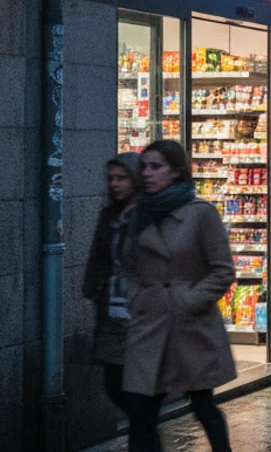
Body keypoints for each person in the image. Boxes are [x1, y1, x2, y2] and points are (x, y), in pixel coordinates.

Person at [122, 140, 236, 452]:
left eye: (156, 166)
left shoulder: (200, 214)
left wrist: (188, 300)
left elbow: (222, 270)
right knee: (142, 413)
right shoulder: (137, 213)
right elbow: (130, 267)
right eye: (144, 166)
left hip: (190, 327)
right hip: (150, 326)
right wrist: (138, 298)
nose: (147, 173)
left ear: (175, 172)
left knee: (203, 405)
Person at [82, 153, 159, 447]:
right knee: (114, 385)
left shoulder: (150, 215)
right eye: (110, 178)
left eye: (121, 177)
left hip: (142, 317)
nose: (114, 184)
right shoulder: (110, 215)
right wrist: (93, 287)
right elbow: (98, 257)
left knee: (140, 406)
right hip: (112, 313)